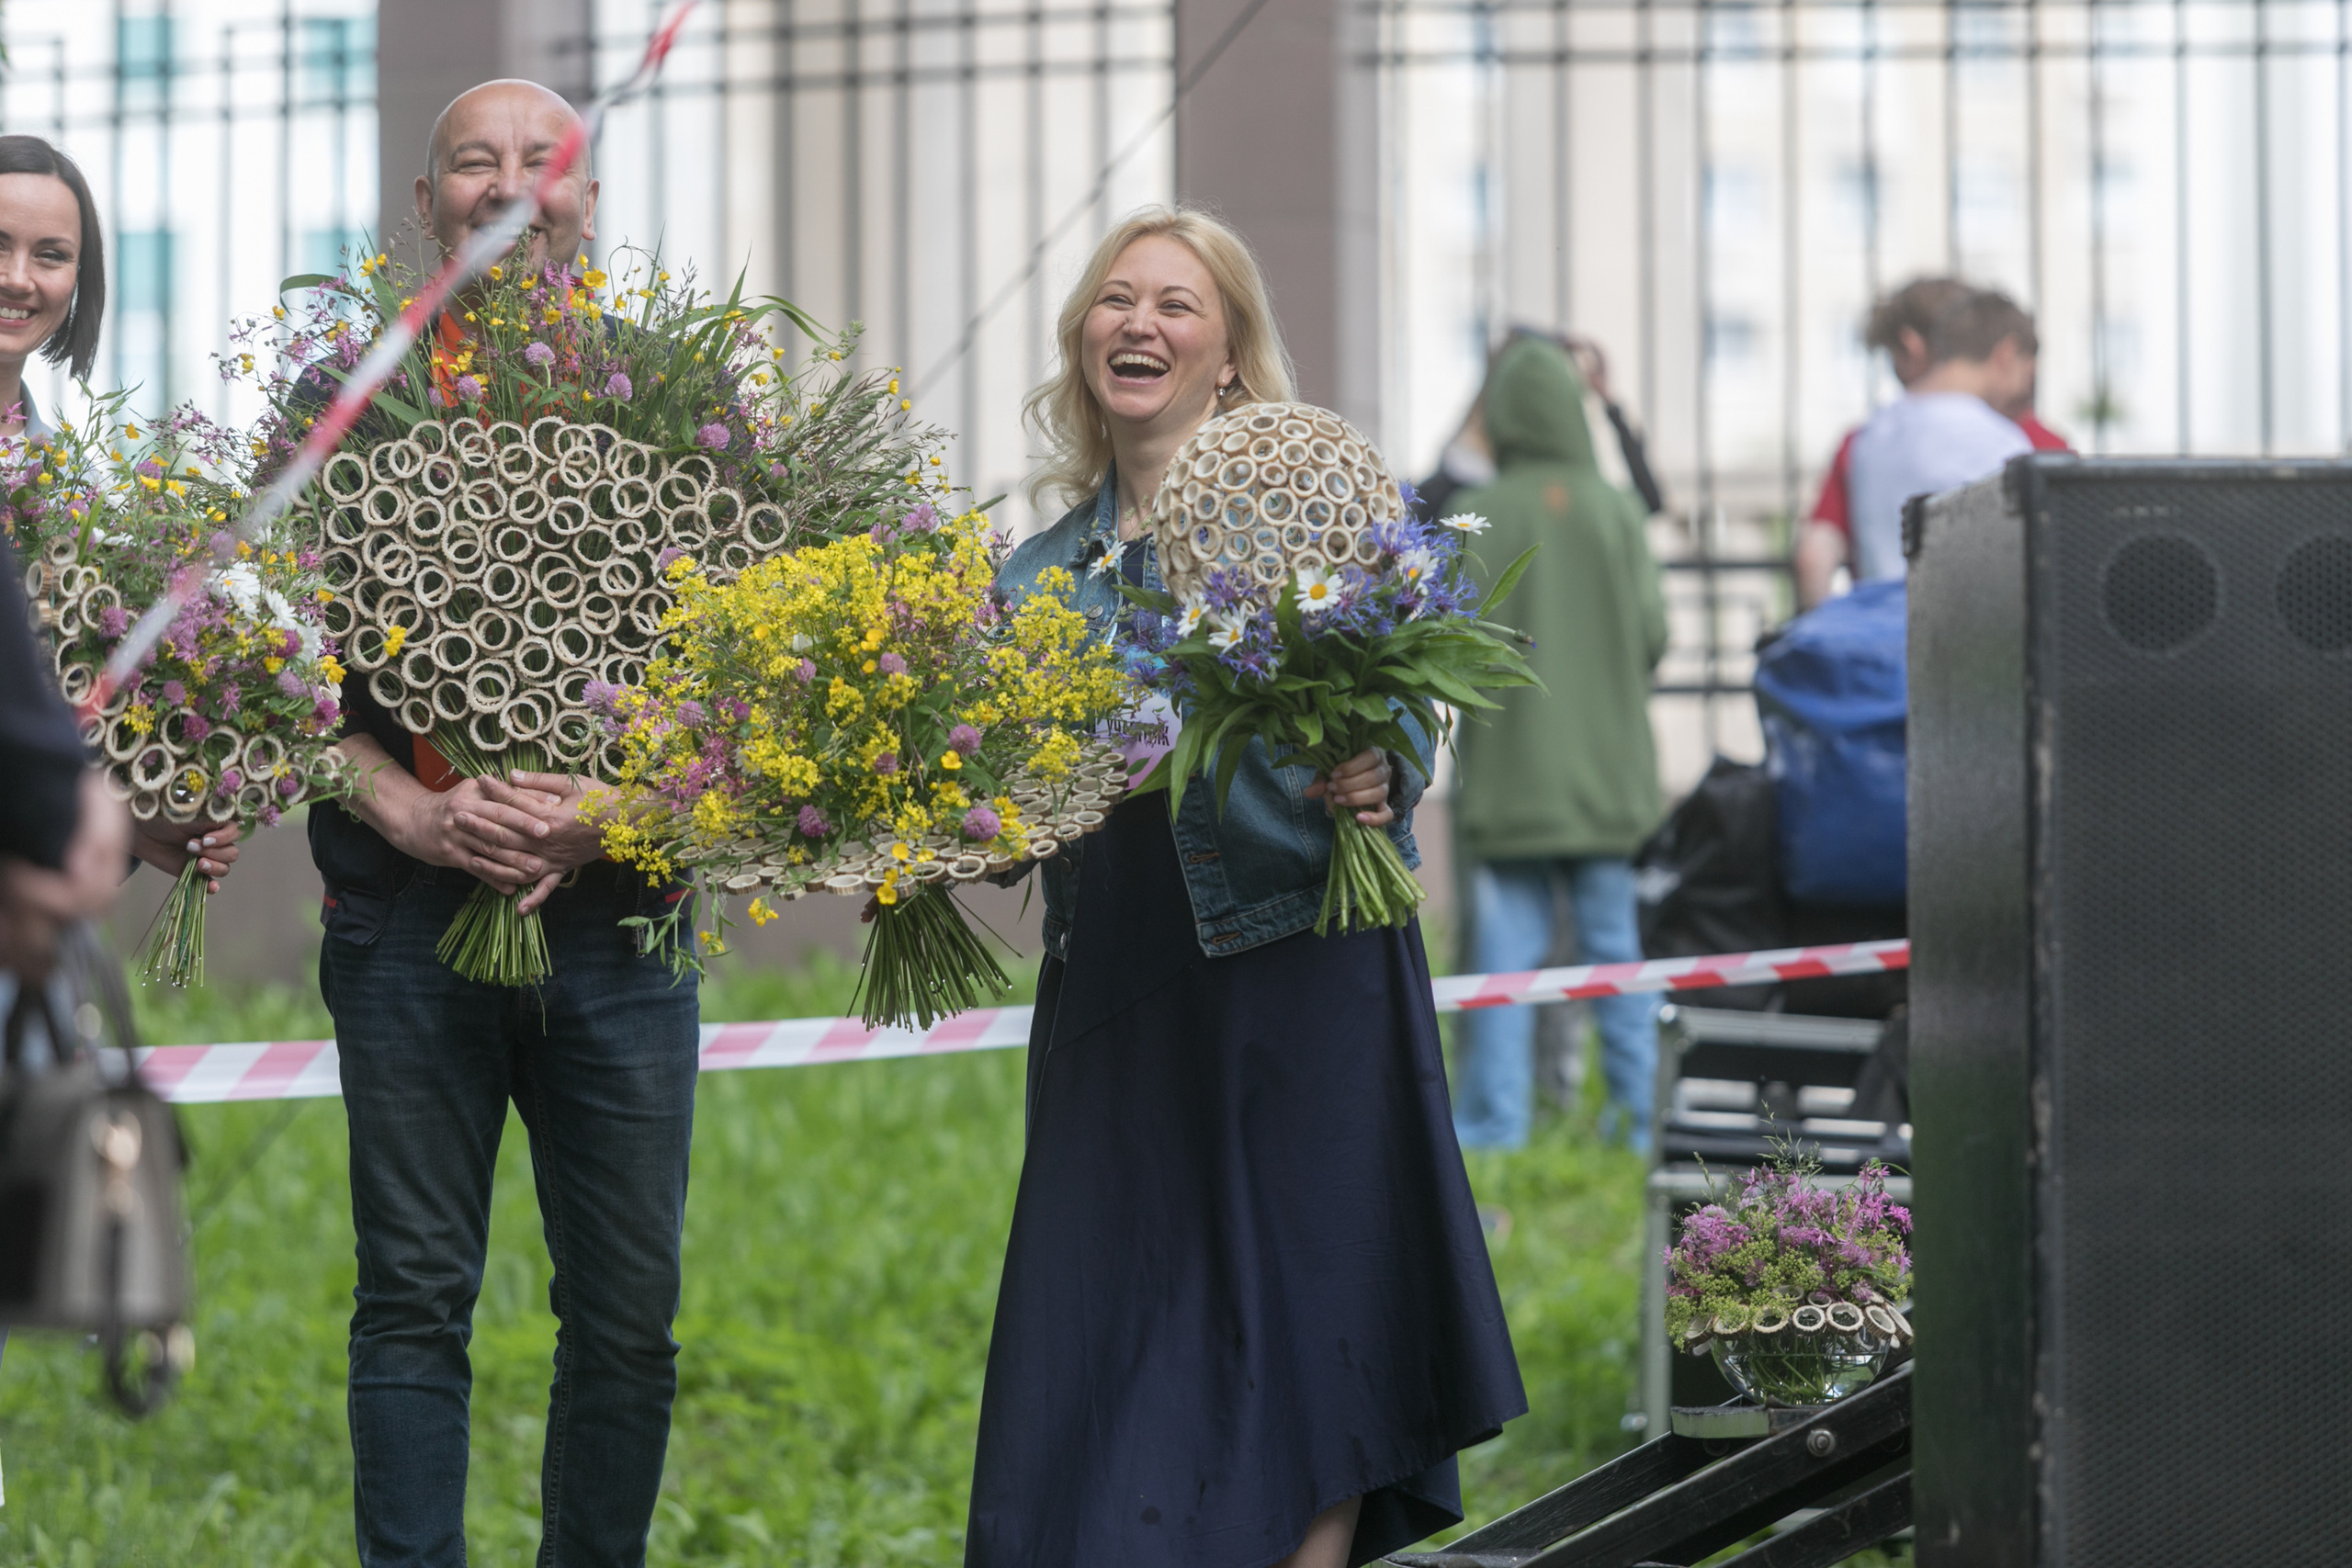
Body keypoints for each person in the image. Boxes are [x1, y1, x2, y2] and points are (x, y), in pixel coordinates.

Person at [966, 206, 1525, 1568]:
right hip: (1124, 979)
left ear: (1228, 353)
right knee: (1126, 1316)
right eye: (1116, 299)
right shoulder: (1037, 576)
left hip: (1304, 949)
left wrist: (1380, 769)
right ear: (1082, 338)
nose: (1139, 323)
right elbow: (1001, 815)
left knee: (1311, 1299)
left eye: (1176, 303)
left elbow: (1404, 705)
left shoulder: (1319, 503)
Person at [302, 81, 695, 1568]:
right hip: (405, 920)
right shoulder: (343, 403)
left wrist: (615, 809)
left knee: (628, 1318)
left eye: (549, 163)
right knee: (410, 1299)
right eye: (476, 162)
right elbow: (265, 675)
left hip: (624, 919)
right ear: (428, 206)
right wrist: (403, 802)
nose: (513, 185)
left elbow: (756, 686)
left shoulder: (676, 400)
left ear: (588, 202)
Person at [1445, 334, 1669, 1154]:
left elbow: (1448, 635)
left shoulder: (1485, 508)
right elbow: (1653, 634)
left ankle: (1494, 1126)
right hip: (1610, 782)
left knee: (1505, 961)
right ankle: (1639, 1127)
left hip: (1513, 785)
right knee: (1618, 955)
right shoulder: (1615, 508)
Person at [0, 135, 242, 892]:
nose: (17, 279)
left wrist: (139, 811)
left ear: (80, 280)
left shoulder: (62, 492)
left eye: (50, 254)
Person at [1794, 278, 2066, 606]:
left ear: (1912, 347)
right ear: (2005, 354)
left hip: (1881, 636)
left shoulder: (1866, 440)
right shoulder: (2022, 440)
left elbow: (1813, 556)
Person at [1842, 288, 2041, 584]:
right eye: (2027, 376)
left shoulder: (1873, 434)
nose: (2024, 396)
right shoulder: (1998, 441)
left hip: (1882, 619)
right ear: (2006, 355)